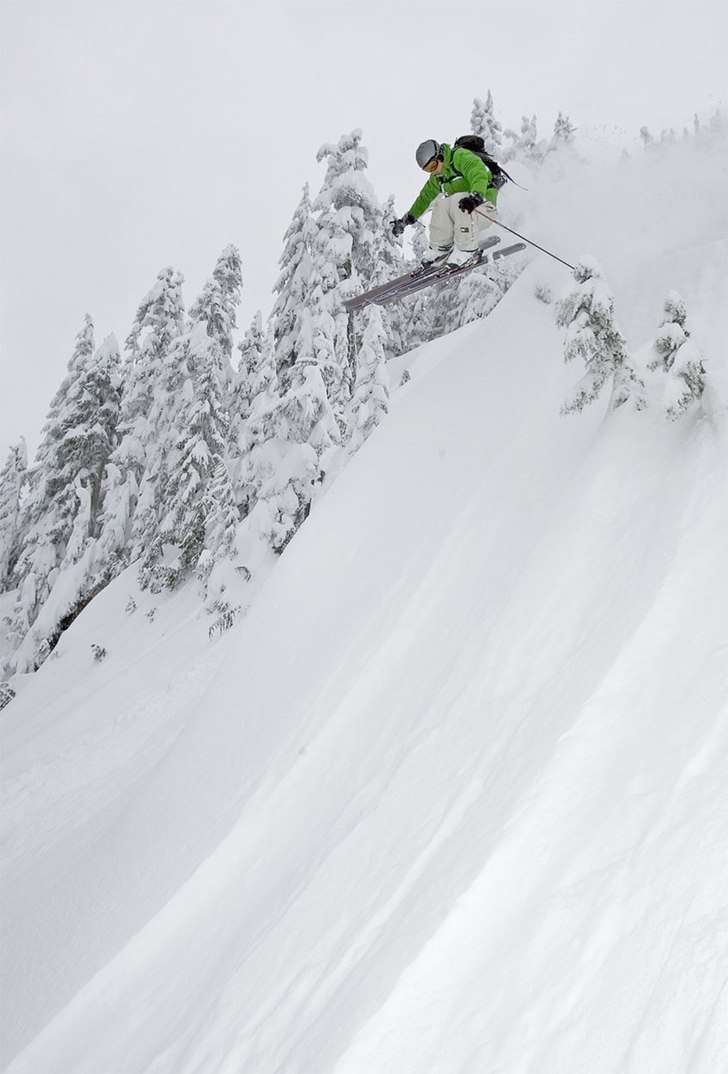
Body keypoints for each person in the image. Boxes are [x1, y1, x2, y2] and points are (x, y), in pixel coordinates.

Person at [392, 138, 499, 267]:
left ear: (440, 155)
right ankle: (439, 248)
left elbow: (477, 172)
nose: (434, 171)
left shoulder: (460, 156)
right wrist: (406, 220)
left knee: (458, 199)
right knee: (440, 205)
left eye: (433, 166)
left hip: (483, 208)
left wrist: (475, 197)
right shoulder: (438, 177)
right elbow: (425, 199)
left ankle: (467, 250)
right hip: (463, 213)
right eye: (428, 170)